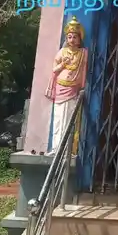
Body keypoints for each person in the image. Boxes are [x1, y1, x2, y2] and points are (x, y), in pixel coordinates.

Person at [46, 15, 88, 155]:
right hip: (60, 88)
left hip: (73, 90)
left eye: (75, 37)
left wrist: (82, 87)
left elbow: (83, 70)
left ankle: (67, 149)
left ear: (80, 38)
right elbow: (54, 69)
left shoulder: (83, 53)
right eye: (69, 37)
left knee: (70, 119)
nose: (72, 39)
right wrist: (63, 64)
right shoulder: (62, 52)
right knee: (58, 119)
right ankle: (56, 148)